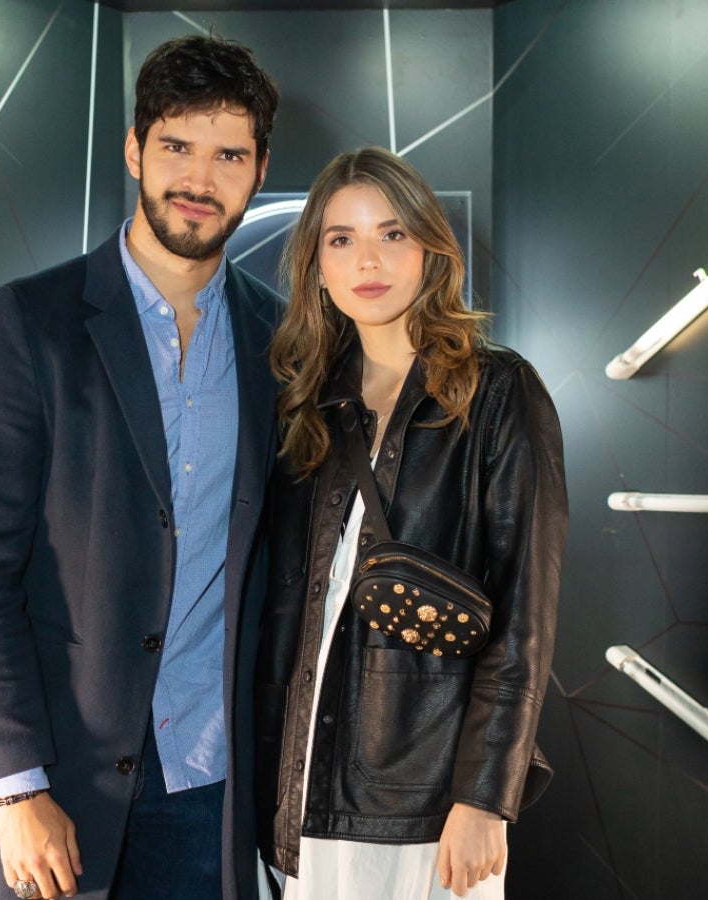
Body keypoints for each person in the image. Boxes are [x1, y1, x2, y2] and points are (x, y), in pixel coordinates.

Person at [0, 35, 280, 900]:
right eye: (176, 146)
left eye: (228, 155)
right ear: (134, 149)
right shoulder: (34, 320)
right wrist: (16, 785)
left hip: (208, 784)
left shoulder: (281, 341)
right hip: (56, 780)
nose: (199, 179)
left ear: (258, 170)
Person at [254, 147, 568, 900]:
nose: (369, 259)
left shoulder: (498, 391)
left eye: (392, 234)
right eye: (342, 239)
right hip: (300, 781)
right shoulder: (305, 404)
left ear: (430, 249)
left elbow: (525, 611)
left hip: (428, 794)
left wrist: (485, 797)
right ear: (316, 267)